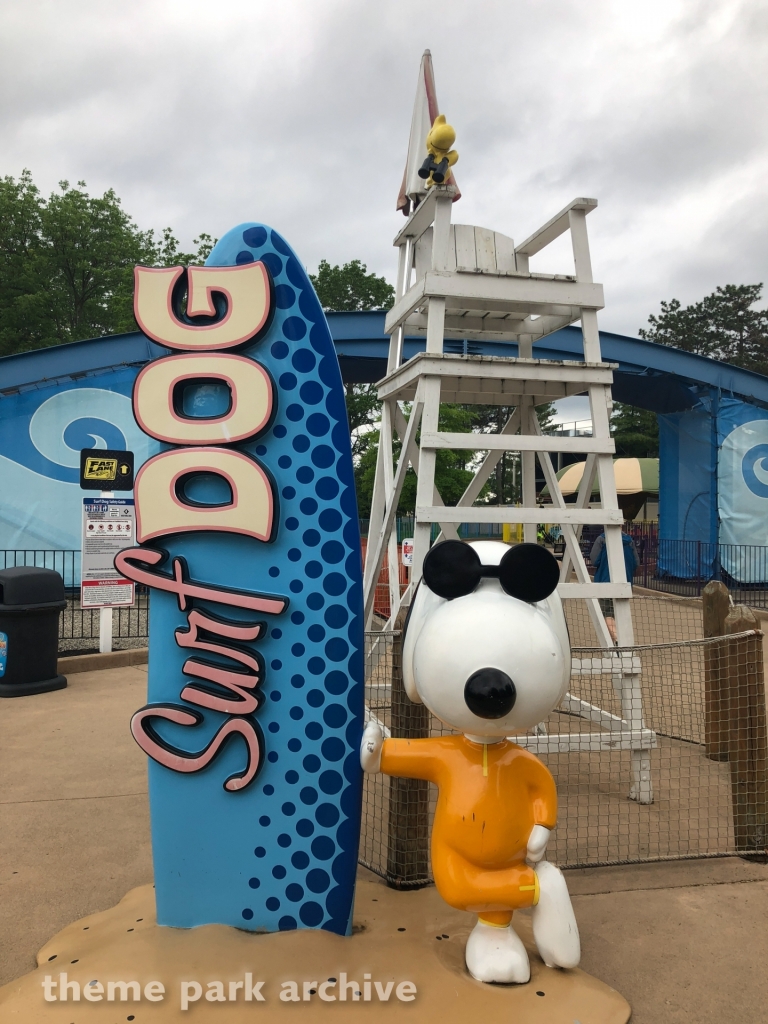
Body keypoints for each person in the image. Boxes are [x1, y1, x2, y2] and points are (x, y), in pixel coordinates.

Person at [589, 528, 640, 643]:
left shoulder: (601, 539)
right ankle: (620, 640)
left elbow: (594, 560)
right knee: (620, 613)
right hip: (625, 583)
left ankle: (617, 639)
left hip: (604, 582)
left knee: (607, 613)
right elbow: (636, 562)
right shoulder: (629, 541)